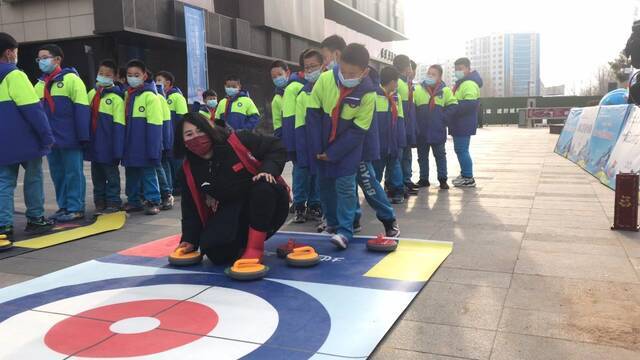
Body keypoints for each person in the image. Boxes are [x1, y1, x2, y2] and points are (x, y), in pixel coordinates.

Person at [173, 113, 289, 271]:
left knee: (262, 186)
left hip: (268, 203)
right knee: (215, 253)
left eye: (200, 131)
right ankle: (243, 244)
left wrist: (267, 170)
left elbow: (276, 147)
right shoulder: (188, 170)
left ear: (210, 129)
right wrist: (189, 238)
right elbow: (190, 207)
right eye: (189, 134)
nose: (196, 137)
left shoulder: (239, 140)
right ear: (184, 142)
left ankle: (255, 248)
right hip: (234, 209)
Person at [306, 43, 377, 249]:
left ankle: (345, 231)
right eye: (343, 70)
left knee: (346, 188)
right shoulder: (326, 79)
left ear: (364, 72)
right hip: (322, 144)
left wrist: (334, 152)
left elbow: (359, 129)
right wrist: (319, 149)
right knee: (325, 186)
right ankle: (333, 223)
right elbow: (313, 114)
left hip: (348, 148)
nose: (345, 76)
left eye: (352, 73)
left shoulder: (368, 93)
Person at [0, 32, 55, 241]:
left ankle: (3, 226)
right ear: (8, 53)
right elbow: (33, 110)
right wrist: (46, 136)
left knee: (4, 182)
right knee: (33, 177)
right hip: (25, 140)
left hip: (2, 143)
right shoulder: (15, 75)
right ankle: (35, 218)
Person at [34, 43, 90, 222]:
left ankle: (76, 207)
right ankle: (63, 206)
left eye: (45, 57)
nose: (41, 61)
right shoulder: (40, 84)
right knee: (57, 174)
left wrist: (83, 136)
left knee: (73, 173)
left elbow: (82, 110)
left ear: (57, 59)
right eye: (39, 59)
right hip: (51, 139)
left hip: (70, 137)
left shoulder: (72, 80)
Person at [354, 65, 401, 238]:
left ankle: (389, 220)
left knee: (370, 185)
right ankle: (352, 221)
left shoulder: (370, 94)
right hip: (342, 149)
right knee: (348, 187)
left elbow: (370, 128)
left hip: (361, 150)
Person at [122, 59, 163, 215]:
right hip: (130, 143)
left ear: (145, 76)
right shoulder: (127, 94)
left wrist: (153, 148)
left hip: (145, 143)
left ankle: (154, 200)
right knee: (131, 173)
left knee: (148, 172)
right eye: (129, 75)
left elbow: (155, 125)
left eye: (136, 75)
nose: (132, 77)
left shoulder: (150, 97)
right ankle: (133, 201)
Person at [86, 59, 125, 212]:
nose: (103, 76)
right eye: (101, 73)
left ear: (114, 77)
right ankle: (99, 200)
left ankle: (114, 200)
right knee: (97, 174)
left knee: (111, 174)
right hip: (94, 143)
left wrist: (117, 148)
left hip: (108, 144)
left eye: (108, 75)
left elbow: (119, 125)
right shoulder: (91, 94)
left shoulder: (116, 98)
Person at [291, 49, 324, 224]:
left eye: (314, 66)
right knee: (302, 173)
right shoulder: (303, 93)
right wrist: (299, 145)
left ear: (323, 66)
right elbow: (299, 122)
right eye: (307, 67)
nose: (310, 71)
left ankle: (315, 205)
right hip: (304, 139)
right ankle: (299, 206)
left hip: (323, 142)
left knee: (317, 174)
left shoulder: (329, 88)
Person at [414, 64, 458, 190]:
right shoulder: (418, 90)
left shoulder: (445, 91)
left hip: (437, 130)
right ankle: (423, 179)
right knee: (422, 156)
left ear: (439, 77)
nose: (430, 76)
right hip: (421, 131)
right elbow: (412, 108)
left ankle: (443, 179)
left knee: (440, 155)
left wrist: (443, 118)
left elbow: (454, 105)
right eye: (429, 73)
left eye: (433, 74)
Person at [373, 66, 406, 204]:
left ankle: (398, 191)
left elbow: (400, 118)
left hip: (393, 140)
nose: (397, 84)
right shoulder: (374, 95)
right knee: (377, 168)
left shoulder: (396, 97)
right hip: (378, 141)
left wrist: (401, 139)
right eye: (396, 81)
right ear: (391, 81)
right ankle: (375, 193)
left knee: (395, 166)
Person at [155, 71, 187, 201]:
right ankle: (172, 187)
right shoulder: (159, 96)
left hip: (175, 137)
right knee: (168, 163)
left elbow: (182, 118)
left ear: (167, 83)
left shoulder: (177, 97)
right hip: (165, 137)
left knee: (177, 163)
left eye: (159, 80)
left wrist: (180, 136)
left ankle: (181, 186)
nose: (156, 83)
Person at [451, 57, 483, 188]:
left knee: (462, 150)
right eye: (456, 69)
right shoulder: (462, 83)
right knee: (461, 149)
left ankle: (468, 177)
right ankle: (465, 174)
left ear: (468, 69)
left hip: (463, 123)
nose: (458, 71)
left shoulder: (469, 83)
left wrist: (452, 105)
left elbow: (470, 104)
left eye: (460, 69)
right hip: (460, 122)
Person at [392, 54, 418, 195]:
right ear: (407, 67)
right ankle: (397, 182)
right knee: (399, 156)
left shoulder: (407, 83)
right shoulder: (397, 83)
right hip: (402, 125)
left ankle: (406, 180)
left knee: (407, 155)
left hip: (408, 125)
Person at [151, 72, 175, 210]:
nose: (157, 82)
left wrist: (167, 142)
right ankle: (165, 191)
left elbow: (166, 122)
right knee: (161, 166)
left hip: (160, 140)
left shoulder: (160, 98)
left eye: (160, 80)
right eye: (156, 80)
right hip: (158, 140)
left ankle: (167, 192)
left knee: (160, 166)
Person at [270, 60, 291, 139]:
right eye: (274, 77)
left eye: (280, 74)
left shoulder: (297, 88)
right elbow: (277, 124)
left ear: (287, 73)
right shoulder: (276, 100)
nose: (277, 78)